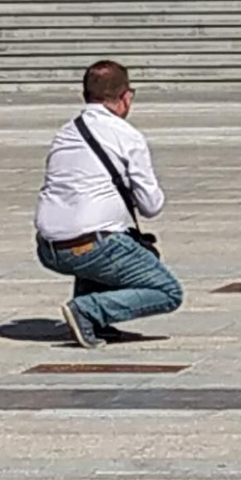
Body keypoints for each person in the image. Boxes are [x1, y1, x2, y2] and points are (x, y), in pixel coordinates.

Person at [34, 61, 181, 349]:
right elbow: (151, 206)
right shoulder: (127, 136)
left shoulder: (65, 133)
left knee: (106, 234)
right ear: (127, 97)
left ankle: (95, 317)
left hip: (50, 247)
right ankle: (88, 310)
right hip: (93, 246)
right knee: (168, 291)